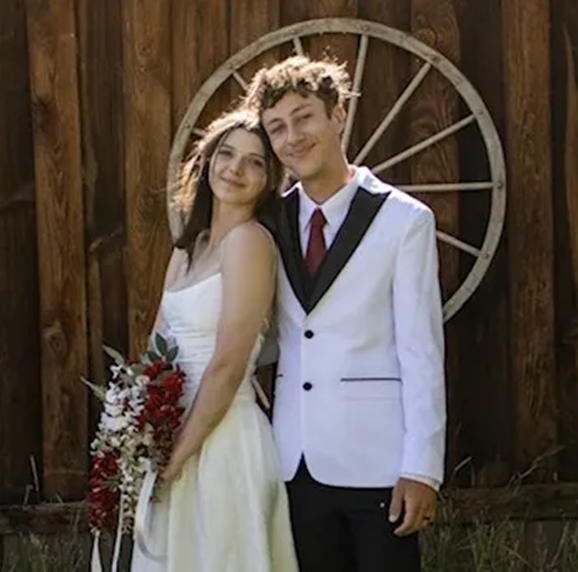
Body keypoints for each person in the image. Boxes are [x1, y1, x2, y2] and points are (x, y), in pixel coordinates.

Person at [244, 55, 447, 572]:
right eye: (277, 128)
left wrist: (422, 467)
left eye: (304, 116)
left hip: (379, 463)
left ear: (337, 115)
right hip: (294, 461)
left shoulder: (404, 220)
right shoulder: (269, 222)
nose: (293, 137)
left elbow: (421, 351)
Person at [130, 108, 299, 572]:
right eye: (226, 155)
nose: (235, 170)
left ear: (269, 181)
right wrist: (139, 433)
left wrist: (177, 459)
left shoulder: (250, 243)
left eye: (254, 162)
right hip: (174, 434)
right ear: (206, 163)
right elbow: (155, 351)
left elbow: (227, 364)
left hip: (223, 441)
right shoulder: (190, 247)